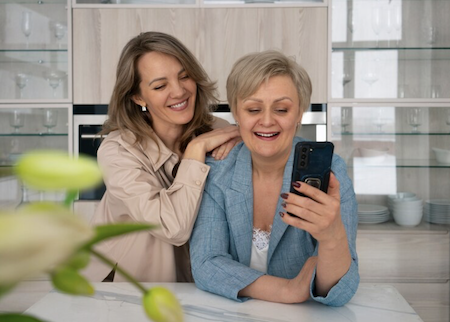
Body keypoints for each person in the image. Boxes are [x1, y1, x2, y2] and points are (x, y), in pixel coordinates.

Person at [190, 50, 359, 306]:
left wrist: (332, 236)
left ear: (300, 113)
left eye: (281, 109)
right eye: (253, 109)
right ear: (236, 113)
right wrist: (287, 290)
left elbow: (340, 292)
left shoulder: (330, 172)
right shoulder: (218, 172)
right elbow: (206, 264)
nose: (267, 121)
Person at [83, 31, 240, 283]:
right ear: (138, 96)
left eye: (184, 76)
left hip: (200, 282)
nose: (179, 91)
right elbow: (173, 227)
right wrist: (195, 152)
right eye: (160, 85)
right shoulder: (118, 151)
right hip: (126, 288)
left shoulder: (218, 130)